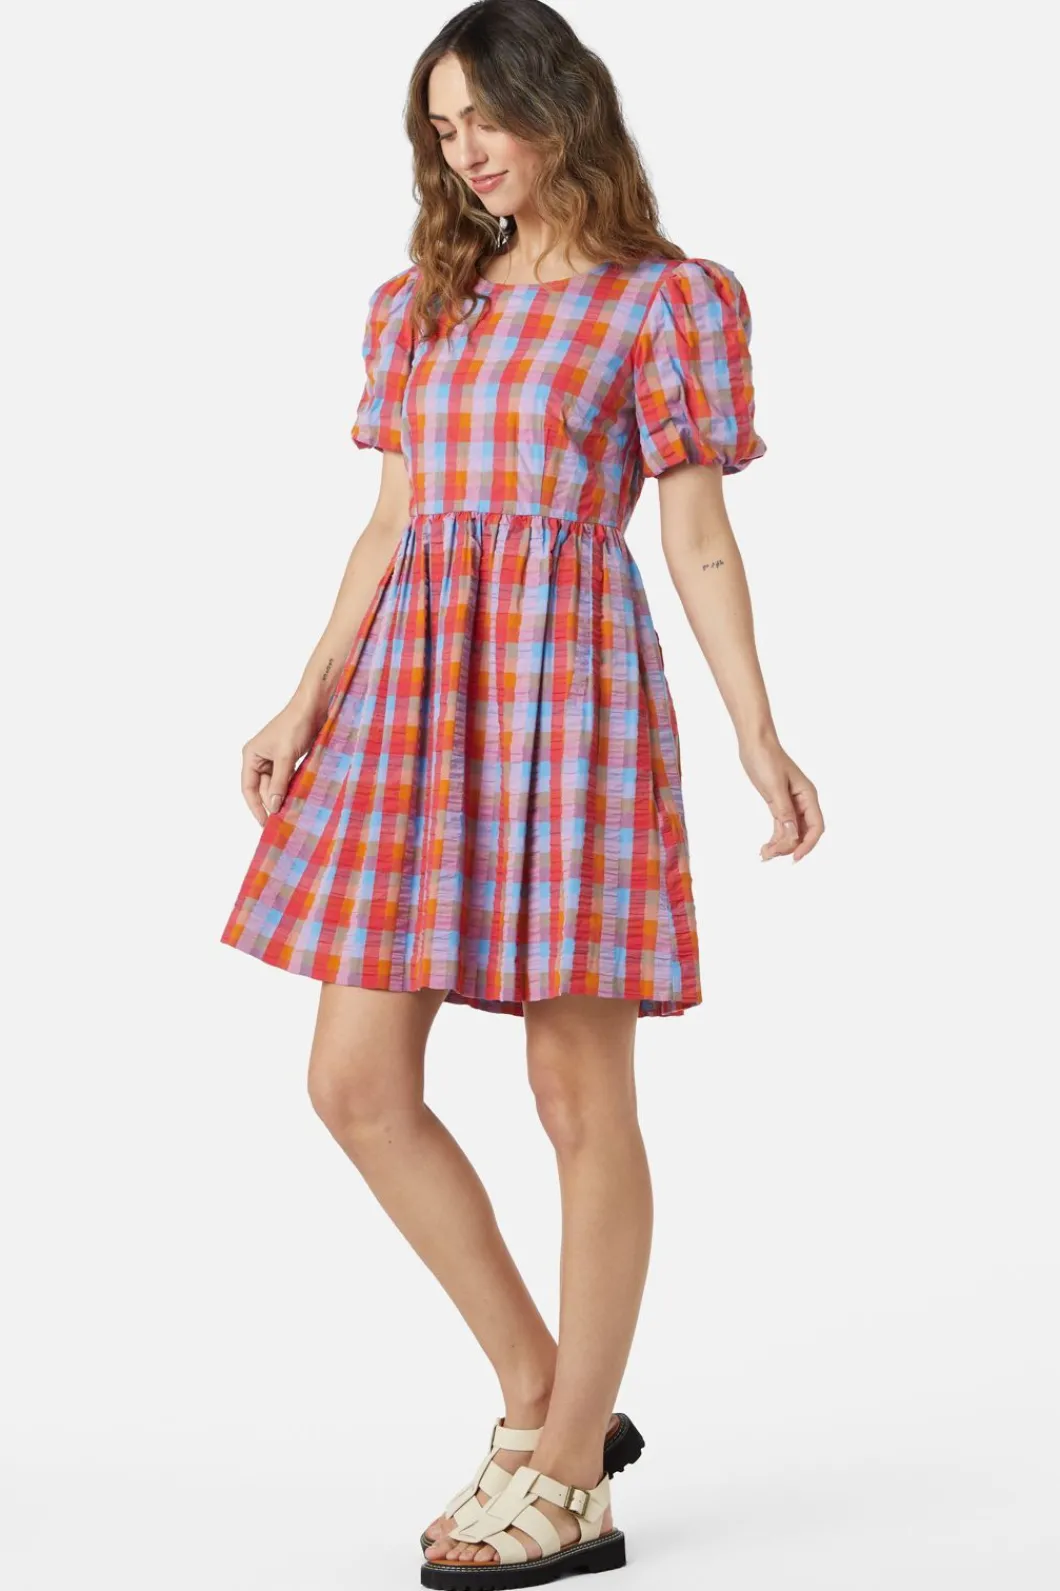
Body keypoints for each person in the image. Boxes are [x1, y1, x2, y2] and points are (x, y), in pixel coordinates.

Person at [220, 0, 824, 1583]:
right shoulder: (419, 305)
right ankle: (548, 1398)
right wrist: (304, 692)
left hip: (566, 696)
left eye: (485, 114)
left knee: (575, 1093)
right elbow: (390, 524)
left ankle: (567, 1478)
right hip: (410, 699)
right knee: (354, 1078)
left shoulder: (665, 301)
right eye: (442, 127)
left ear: (562, 108)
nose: (466, 149)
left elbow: (695, 532)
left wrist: (758, 729)